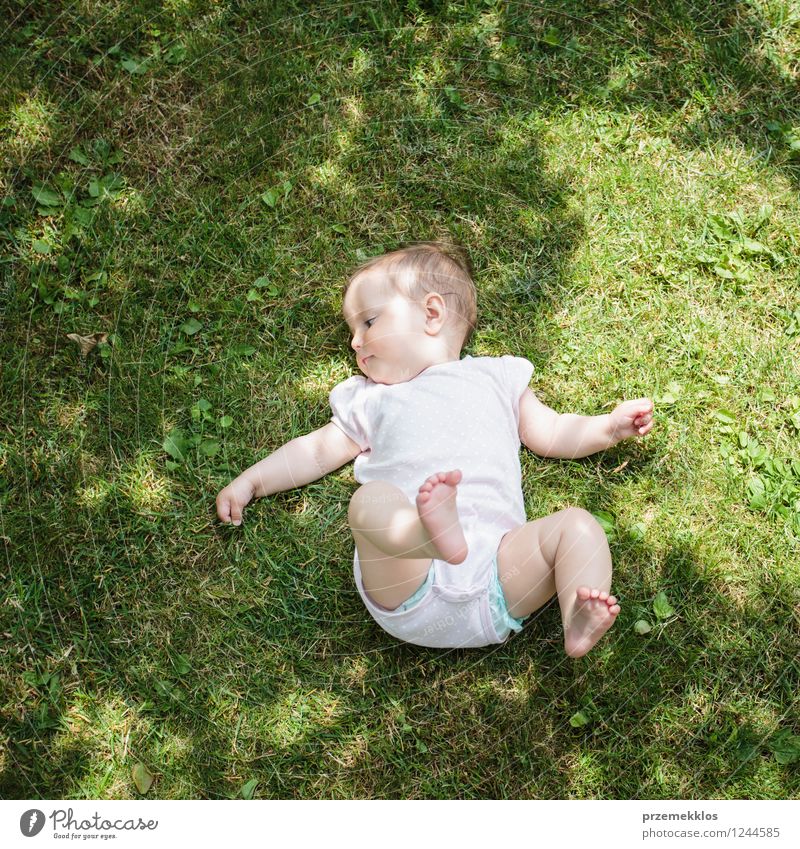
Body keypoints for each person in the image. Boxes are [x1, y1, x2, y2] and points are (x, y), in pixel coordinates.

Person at [216, 241, 654, 655]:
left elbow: (554, 432)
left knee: (578, 527)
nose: (355, 341)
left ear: (431, 313)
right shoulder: (369, 398)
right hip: (407, 583)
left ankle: (575, 615)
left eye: (368, 322)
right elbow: (314, 452)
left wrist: (607, 428)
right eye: (353, 329)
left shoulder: (497, 378)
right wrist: (254, 480)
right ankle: (424, 535)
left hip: (498, 578)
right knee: (372, 502)